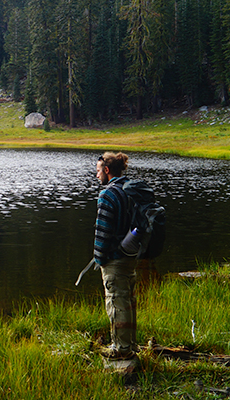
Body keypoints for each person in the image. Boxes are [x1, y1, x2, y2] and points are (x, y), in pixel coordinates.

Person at [94, 151, 137, 360]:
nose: (96, 176)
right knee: (127, 301)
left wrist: (99, 258)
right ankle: (130, 345)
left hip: (114, 260)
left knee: (116, 303)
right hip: (131, 255)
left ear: (107, 170)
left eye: (98, 171)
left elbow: (102, 231)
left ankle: (120, 349)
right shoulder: (131, 190)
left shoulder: (108, 195)